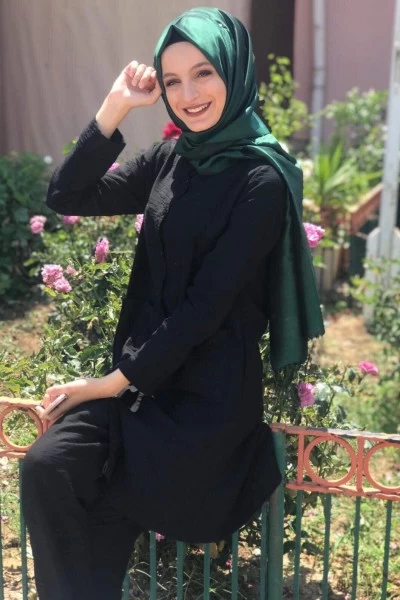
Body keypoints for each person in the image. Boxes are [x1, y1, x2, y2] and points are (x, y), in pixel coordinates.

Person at [21, 7, 324, 600]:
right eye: (173, 80)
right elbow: (67, 194)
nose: (188, 95)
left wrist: (105, 385)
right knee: (48, 468)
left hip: (203, 399)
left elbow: (203, 310)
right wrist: (115, 107)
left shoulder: (261, 181)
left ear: (235, 72)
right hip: (142, 385)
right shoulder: (173, 158)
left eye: (204, 73)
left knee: (106, 499)